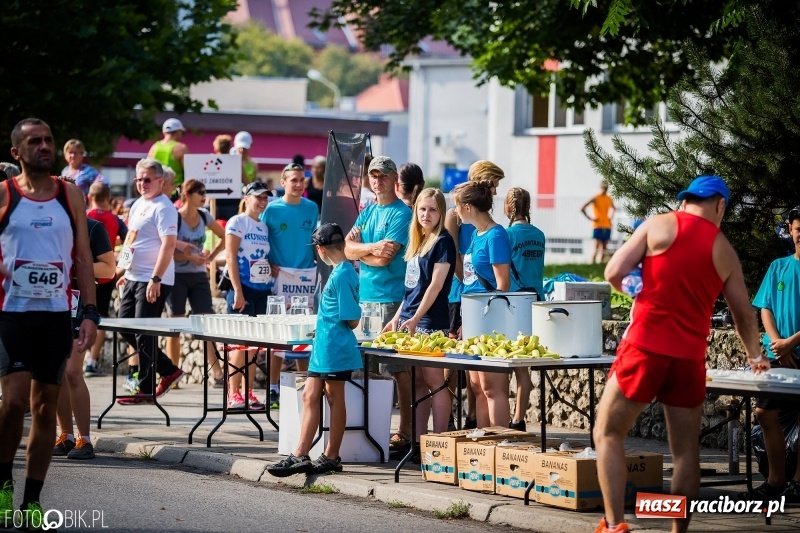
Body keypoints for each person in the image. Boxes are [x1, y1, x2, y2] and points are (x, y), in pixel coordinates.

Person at [594, 175, 767, 533]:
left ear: (685, 201)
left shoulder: (658, 224)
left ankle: (615, 526)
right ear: (720, 206)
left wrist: (634, 287)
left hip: (644, 347)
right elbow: (743, 315)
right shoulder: (723, 248)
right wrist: (756, 357)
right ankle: (678, 532)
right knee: (686, 453)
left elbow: (613, 271)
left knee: (608, 433)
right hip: (688, 358)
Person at [0, 118, 99, 526]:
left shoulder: (69, 194)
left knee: (44, 410)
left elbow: (82, 257)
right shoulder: (4, 194)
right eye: (34, 141)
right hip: (12, 315)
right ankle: (4, 484)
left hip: (56, 315)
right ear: (16, 152)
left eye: (48, 140)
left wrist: (90, 311)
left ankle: (33, 500)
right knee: (13, 406)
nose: (44, 146)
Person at [267, 223, 361, 477]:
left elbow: (352, 318)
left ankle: (329, 455)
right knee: (310, 396)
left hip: (334, 347)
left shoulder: (342, 274)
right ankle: (301, 454)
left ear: (320, 249)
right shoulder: (341, 271)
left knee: (334, 397)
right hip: (325, 346)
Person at [345, 156, 414, 457]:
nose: (378, 181)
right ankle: (374, 428)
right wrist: (371, 248)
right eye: (373, 175)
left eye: (383, 176)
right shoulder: (368, 211)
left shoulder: (402, 213)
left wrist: (362, 252)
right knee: (367, 369)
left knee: (397, 369)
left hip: (391, 300)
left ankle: (406, 431)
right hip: (366, 299)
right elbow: (347, 250)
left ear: (394, 179)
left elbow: (386, 260)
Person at [383, 188, 455, 440]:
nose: (426, 214)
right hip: (409, 320)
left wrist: (415, 318)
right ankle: (418, 441)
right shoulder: (418, 240)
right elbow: (411, 289)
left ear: (441, 212)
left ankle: (438, 441)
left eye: (432, 209)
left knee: (434, 380)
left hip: (429, 321)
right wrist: (398, 317)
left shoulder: (443, 241)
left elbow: (435, 286)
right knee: (416, 383)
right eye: (422, 209)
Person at [115, 158, 185, 404]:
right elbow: (130, 240)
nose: (142, 184)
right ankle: (168, 369)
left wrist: (156, 278)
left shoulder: (164, 207)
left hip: (153, 277)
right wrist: (122, 270)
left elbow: (169, 245)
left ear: (160, 181)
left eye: (147, 179)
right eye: (139, 179)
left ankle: (145, 390)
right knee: (124, 325)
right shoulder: (137, 205)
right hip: (134, 275)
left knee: (144, 333)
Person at [444, 160, 506, 429]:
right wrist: (464, 321)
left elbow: (503, 285)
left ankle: (501, 441)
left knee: (492, 388)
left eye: (458, 206)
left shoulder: (495, 235)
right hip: (471, 316)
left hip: (488, 320)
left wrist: (485, 317)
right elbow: (468, 278)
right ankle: (481, 440)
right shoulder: (479, 235)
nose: (455, 211)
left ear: (468, 207)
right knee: (478, 386)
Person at [748, 205, 800, 502]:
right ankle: (776, 480)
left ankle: (798, 482)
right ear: (791, 231)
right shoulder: (778, 266)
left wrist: (792, 342)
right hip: (778, 354)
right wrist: (778, 342)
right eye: (798, 228)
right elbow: (765, 307)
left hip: (792, 350)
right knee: (764, 412)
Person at [53, 216, 115, 460]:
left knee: (72, 371)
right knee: (56, 371)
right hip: (50, 300)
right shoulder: (47, 223)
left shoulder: (92, 227)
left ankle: (85, 439)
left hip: (79, 303)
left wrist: (71, 265)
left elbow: (109, 268)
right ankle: (65, 435)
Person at [260, 163, 320, 407]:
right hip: (280, 277)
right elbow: (260, 239)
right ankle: (273, 387)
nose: (298, 184)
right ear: (283, 183)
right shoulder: (272, 210)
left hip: (305, 276)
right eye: (293, 180)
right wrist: (268, 262)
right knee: (278, 333)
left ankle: (303, 385)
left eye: (301, 180)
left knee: (303, 333)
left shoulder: (312, 207)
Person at [165, 180, 226, 386]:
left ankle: (217, 373)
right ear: (187, 194)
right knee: (175, 325)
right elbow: (168, 250)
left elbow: (225, 236)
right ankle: (171, 374)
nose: (204, 195)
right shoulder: (175, 217)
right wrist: (189, 257)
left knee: (206, 323)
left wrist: (211, 258)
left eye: (204, 192)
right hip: (177, 275)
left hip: (199, 275)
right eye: (200, 192)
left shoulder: (204, 216)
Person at [223, 181, 273, 410]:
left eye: (266, 198)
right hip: (242, 288)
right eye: (259, 197)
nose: (263, 202)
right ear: (247, 198)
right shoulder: (237, 222)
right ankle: (233, 393)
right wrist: (238, 292)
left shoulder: (263, 226)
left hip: (262, 289)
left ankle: (249, 391)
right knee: (239, 345)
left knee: (254, 346)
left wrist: (271, 267)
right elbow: (231, 257)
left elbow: (260, 256)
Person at [504, 187, 546, 431]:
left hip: (513, 303)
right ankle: (518, 418)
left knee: (510, 365)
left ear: (508, 208)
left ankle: (511, 420)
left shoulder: (507, 235)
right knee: (523, 366)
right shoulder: (539, 235)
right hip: (536, 302)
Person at [85, 182, 129, 377]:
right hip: (105, 275)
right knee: (99, 317)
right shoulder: (116, 220)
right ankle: (91, 361)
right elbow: (129, 245)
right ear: (108, 199)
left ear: (89, 198)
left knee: (79, 315)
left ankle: (78, 358)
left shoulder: (83, 218)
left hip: (82, 275)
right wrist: (121, 270)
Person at [581, 180, 616, 263]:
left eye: (606, 187)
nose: (605, 189)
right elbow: (582, 208)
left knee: (604, 249)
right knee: (596, 248)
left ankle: (600, 264)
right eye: (604, 187)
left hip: (607, 226)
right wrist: (591, 218)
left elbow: (614, 208)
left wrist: (611, 217)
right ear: (601, 187)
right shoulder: (596, 197)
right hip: (597, 225)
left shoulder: (609, 199)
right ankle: (592, 264)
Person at [148, 118, 188, 188]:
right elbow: (189, 172)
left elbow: (148, 170)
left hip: (157, 191)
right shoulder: (181, 148)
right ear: (178, 132)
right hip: (175, 191)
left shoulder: (154, 148)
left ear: (164, 132)